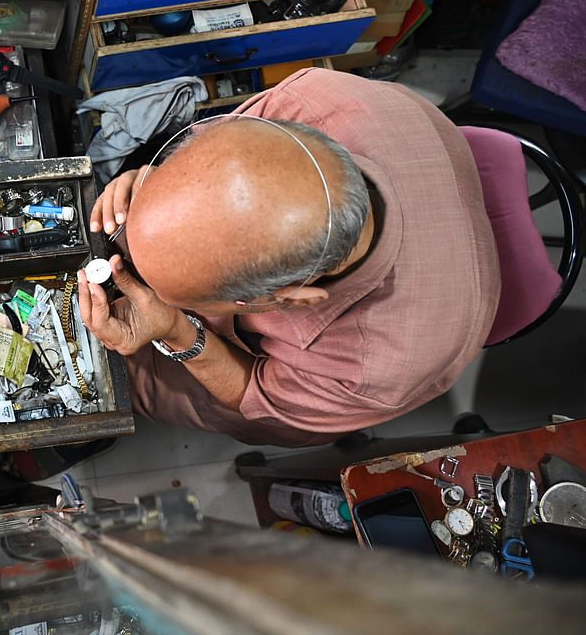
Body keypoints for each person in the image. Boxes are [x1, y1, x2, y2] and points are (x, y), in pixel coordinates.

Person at [77, 67, 501, 447]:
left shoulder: (375, 365)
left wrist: (176, 330)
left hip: (307, 388)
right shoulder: (318, 98)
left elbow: (254, 395)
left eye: (190, 301)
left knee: (123, 383)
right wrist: (149, 183)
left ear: (295, 298)